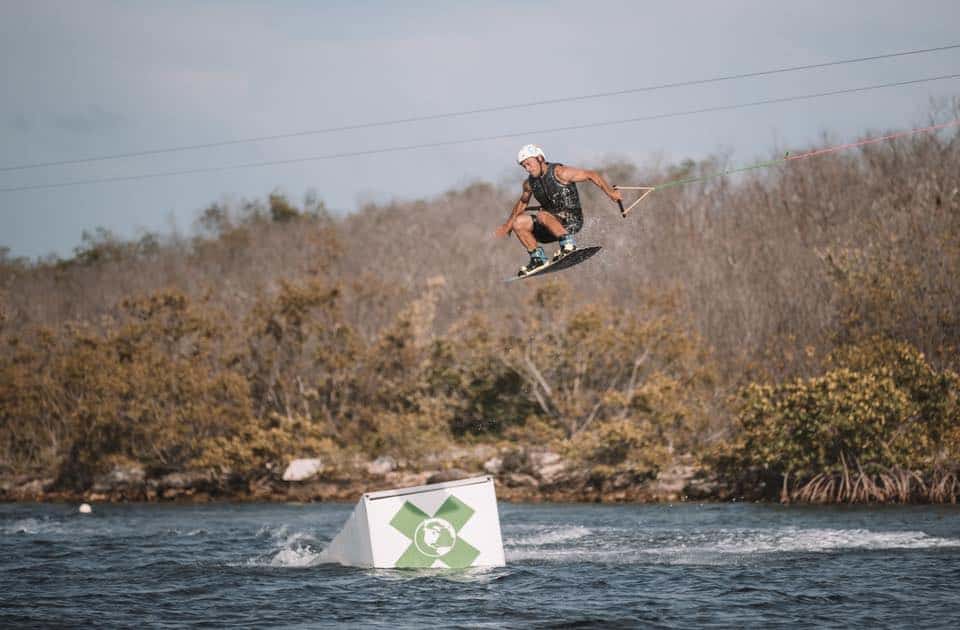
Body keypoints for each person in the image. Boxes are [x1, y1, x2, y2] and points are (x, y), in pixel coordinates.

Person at [494, 144, 623, 276]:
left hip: (571, 222)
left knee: (542, 215)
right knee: (518, 222)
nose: (527, 169)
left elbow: (591, 175)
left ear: (539, 158)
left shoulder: (560, 172)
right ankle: (538, 259)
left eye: (529, 163)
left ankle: (568, 245)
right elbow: (522, 202)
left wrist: (611, 193)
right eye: (524, 166)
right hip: (548, 228)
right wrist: (507, 225)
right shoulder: (529, 183)